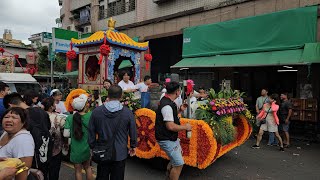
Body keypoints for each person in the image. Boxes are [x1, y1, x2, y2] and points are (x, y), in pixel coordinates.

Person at [88, 85, 137, 180]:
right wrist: (133, 145)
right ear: (121, 96)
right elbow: (133, 130)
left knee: (102, 176)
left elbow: (91, 131)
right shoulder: (127, 113)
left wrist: (92, 146)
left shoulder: (97, 111)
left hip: (102, 151)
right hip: (120, 152)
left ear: (108, 95)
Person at [3, 93, 52, 180]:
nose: (10, 118)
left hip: (31, 160)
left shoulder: (23, 119)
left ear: (10, 106)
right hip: (45, 153)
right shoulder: (41, 111)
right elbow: (48, 128)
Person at [155, 82, 191, 180]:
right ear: (177, 92)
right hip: (166, 138)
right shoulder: (167, 106)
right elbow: (170, 126)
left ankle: (168, 175)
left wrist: (180, 110)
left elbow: (171, 117)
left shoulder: (168, 101)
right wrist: (185, 127)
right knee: (179, 164)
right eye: (180, 90)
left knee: (175, 160)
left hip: (170, 137)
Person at [64, 94, 93, 180]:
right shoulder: (90, 115)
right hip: (87, 147)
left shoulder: (70, 118)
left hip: (75, 149)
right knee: (88, 168)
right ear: (84, 106)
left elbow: (65, 134)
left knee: (78, 171)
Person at [0, 107, 34, 180]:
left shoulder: (24, 140)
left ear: (23, 122)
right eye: (6, 117)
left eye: (14, 117)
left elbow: (23, 171)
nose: (9, 120)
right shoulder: (6, 133)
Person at [42, 97, 66, 180]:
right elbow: (64, 132)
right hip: (56, 149)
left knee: (43, 171)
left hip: (42, 148)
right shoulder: (58, 117)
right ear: (51, 107)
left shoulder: (39, 116)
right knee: (54, 171)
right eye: (54, 104)